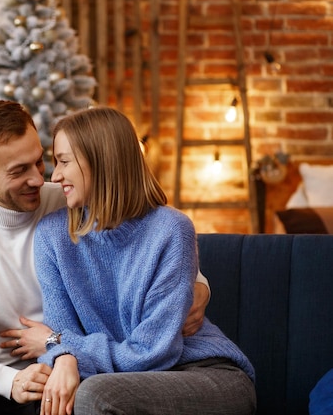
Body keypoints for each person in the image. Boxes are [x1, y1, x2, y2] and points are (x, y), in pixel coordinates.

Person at [0, 100, 211, 415]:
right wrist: (7, 382)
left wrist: (198, 284)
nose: (39, 178)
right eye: (19, 171)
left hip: (63, 374)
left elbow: (150, 231)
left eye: (39, 161)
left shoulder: (70, 199)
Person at [33, 106, 256, 415]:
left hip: (204, 373)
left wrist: (64, 347)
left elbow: (154, 351)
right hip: (124, 381)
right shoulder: (52, 237)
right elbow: (63, 334)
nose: (55, 176)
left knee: (93, 396)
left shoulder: (170, 229)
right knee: (62, 394)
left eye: (64, 162)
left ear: (100, 160)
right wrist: (64, 354)